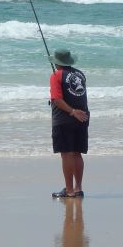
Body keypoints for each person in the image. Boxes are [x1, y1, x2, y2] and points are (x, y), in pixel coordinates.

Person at [48, 48, 89, 198]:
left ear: (57, 63)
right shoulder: (80, 74)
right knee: (77, 153)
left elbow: (57, 100)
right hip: (83, 117)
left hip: (65, 119)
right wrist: (77, 112)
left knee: (66, 154)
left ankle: (69, 190)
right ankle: (78, 189)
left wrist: (72, 112)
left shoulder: (56, 76)